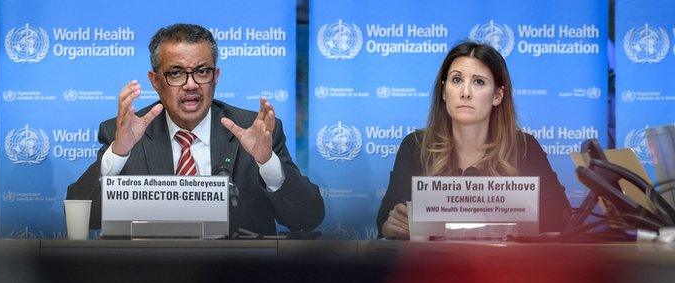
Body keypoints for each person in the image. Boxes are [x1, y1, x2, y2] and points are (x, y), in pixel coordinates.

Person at [67, 23, 324, 236]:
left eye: (202, 71)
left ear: (216, 76)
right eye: (176, 73)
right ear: (155, 81)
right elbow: (84, 217)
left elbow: (308, 217)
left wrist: (267, 163)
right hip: (149, 282)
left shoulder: (254, 131)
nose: (191, 85)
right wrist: (119, 153)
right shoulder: (124, 132)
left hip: (237, 281)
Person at [376, 41, 571, 239]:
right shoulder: (416, 146)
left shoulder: (524, 147)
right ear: (444, 91)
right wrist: (393, 226)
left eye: (479, 82)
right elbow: (386, 220)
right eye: (457, 80)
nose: (465, 92)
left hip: (507, 267)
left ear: (497, 95)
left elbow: (560, 218)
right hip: (434, 267)